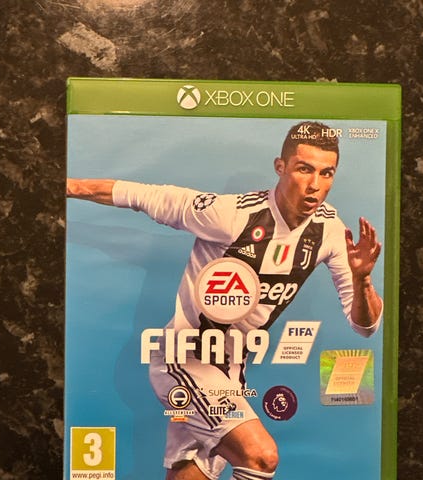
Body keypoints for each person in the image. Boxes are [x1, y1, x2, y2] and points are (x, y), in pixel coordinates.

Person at [67, 121, 383, 480]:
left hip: (230, 374)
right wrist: (68, 186)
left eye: (326, 173)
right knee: (260, 457)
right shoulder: (232, 215)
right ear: (280, 167)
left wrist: (362, 278)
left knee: (190, 476)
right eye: (304, 169)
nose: (315, 185)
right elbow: (142, 195)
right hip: (184, 361)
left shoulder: (329, 231)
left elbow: (365, 326)